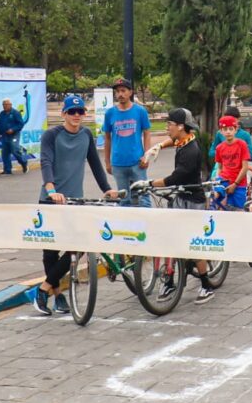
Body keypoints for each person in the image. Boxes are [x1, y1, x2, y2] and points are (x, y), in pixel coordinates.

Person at [32, 95, 118, 315]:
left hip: (74, 200)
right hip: (51, 199)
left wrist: (106, 188)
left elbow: (95, 164)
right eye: (72, 112)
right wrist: (51, 189)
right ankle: (58, 296)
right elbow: (46, 161)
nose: (76, 116)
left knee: (78, 246)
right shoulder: (52, 135)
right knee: (50, 252)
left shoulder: (86, 135)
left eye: (80, 112)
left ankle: (43, 290)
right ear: (64, 114)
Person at [140, 108, 217, 305]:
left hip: (192, 200)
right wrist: (158, 146)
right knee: (171, 239)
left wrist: (149, 183)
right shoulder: (184, 139)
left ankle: (206, 285)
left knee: (192, 245)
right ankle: (170, 281)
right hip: (180, 196)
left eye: (170, 124)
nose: (167, 127)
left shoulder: (191, 151)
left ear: (181, 126)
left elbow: (175, 178)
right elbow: (173, 141)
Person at [102, 78, 152, 206]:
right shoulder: (110, 113)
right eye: (117, 91)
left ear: (130, 92)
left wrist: (146, 155)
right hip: (118, 163)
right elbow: (107, 137)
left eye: (123, 91)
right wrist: (107, 161)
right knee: (124, 199)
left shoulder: (140, 111)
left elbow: (147, 133)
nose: (120, 94)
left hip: (137, 162)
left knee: (143, 197)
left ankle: (147, 224)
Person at [211, 115, 252, 210]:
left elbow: (245, 167)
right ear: (221, 131)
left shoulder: (242, 145)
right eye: (225, 129)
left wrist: (235, 184)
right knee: (217, 201)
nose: (228, 131)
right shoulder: (219, 148)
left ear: (235, 129)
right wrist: (218, 181)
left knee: (238, 209)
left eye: (230, 129)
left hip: (239, 183)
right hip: (224, 180)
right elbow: (220, 167)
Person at [0, 97, 29, 175]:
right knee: (5, 153)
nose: (5, 106)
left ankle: (24, 163)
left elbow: (21, 124)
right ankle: (7, 170)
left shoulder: (16, 113)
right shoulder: (2, 114)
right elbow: (0, 125)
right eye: (3, 104)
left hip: (14, 135)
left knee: (15, 150)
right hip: (4, 135)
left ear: (10, 105)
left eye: (6, 104)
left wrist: (13, 129)